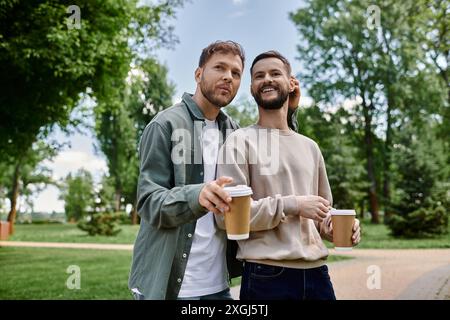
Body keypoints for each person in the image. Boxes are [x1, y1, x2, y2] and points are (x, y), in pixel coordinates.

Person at [128, 42, 300, 300]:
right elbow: (148, 201)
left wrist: (289, 110)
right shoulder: (165, 125)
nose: (227, 77)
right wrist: (196, 196)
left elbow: (276, 167)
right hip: (169, 286)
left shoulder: (233, 132)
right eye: (219, 67)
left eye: (236, 73)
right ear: (198, 75)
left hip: (217, 285)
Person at [215, 51, 361, 300]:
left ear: (291, 83)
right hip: (267, 277)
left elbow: (321, 215)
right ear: (252, 88)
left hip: (318, 275)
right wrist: (292, 204)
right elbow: (227, 217)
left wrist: (337, 229)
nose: (267, 79)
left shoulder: (310, 147)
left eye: (275, 73)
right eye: (259, 76)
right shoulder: (240, 141)